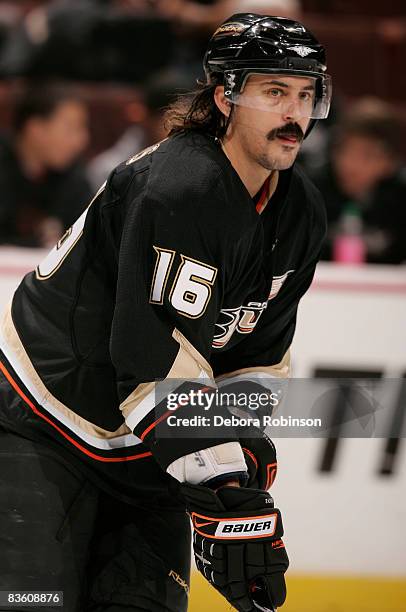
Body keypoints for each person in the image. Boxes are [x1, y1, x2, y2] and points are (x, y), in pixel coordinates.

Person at [0, 13, 330, 612]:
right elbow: (152, 368)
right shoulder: (180, 186)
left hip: (150, 448)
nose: (295, 115)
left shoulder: (301, 211)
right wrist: (221, 484)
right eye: (275, 92)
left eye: (306, 94)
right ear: (225, 96)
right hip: (43, 418)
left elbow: (257, 358)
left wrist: (241, 483)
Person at [313, 98, 406, 263]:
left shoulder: (400, 196)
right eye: (345, 151)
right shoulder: (312, 190)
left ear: (390, 162)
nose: (350, 164)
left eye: (367, 156)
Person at [0, 82, 91, 247]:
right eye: (70, 129)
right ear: (35, 129)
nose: (82, 140)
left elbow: (90, 238)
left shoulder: (73, 177)